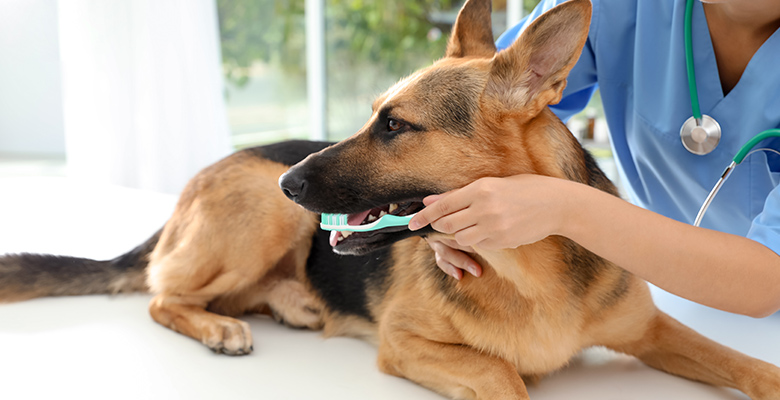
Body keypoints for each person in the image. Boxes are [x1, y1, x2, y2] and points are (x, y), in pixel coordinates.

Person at [407, 0, 780, 318]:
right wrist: (440, 209)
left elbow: (767, 280)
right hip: (667, 294)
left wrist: (567, 209)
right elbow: (477, 113)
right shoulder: (619, 7)